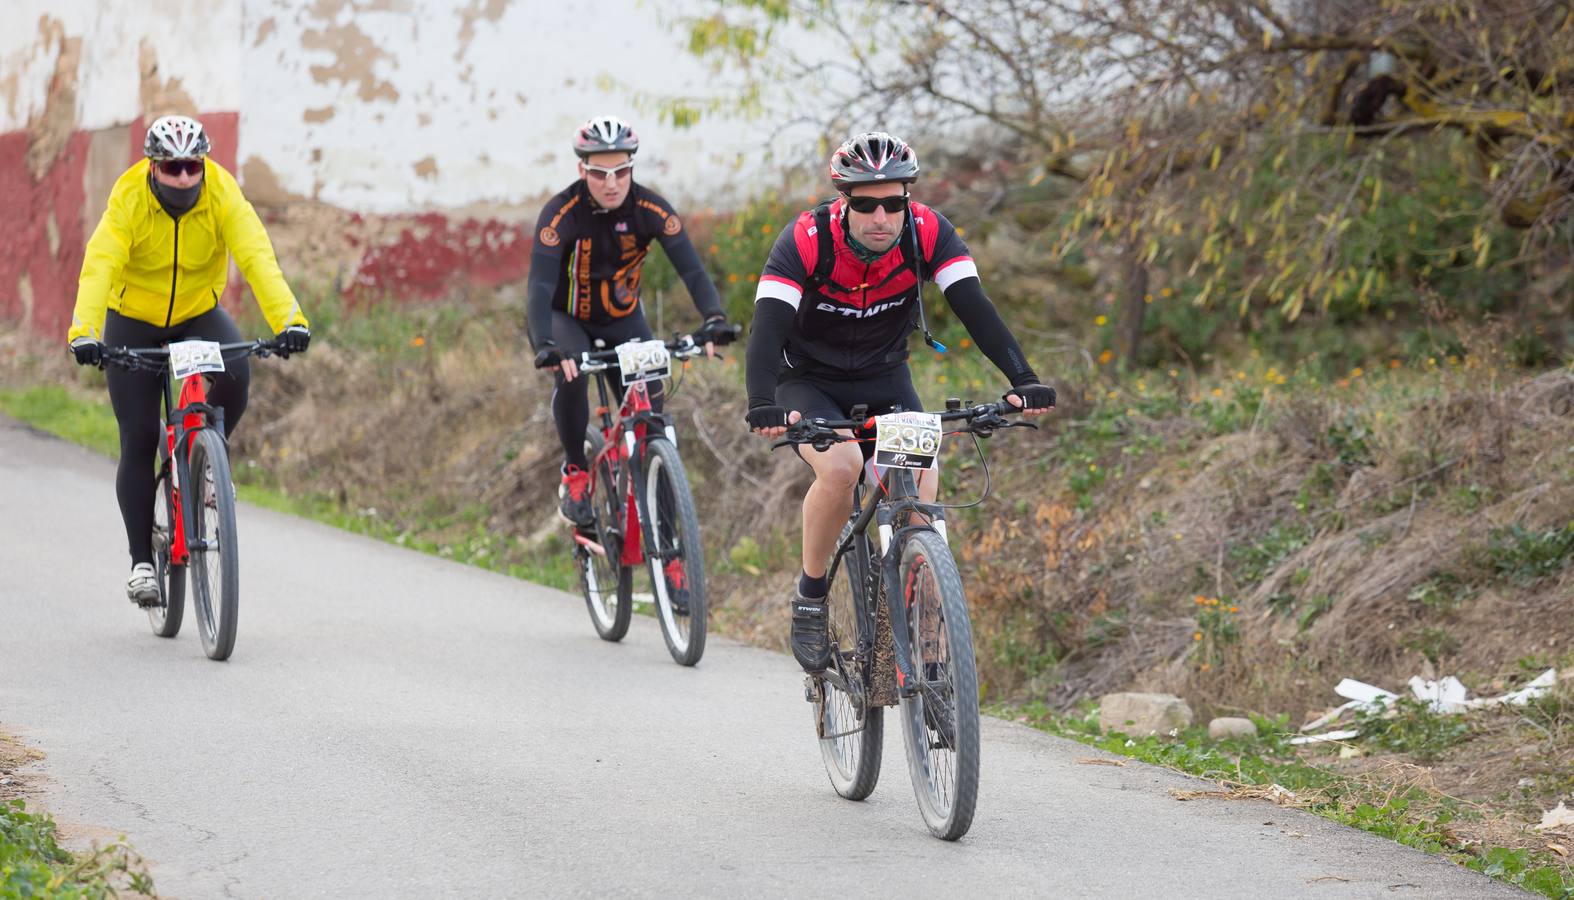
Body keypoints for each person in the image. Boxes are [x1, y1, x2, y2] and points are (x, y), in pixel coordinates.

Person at [744, 131, 1055, 673]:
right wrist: (761, 401)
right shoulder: (807, 239)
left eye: (893, 202)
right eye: (865, 204)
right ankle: (811, 597)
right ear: (844, 201)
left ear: (907, 199)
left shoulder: (928, 231)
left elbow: (973, 307)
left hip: (884, 377)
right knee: (841, 467)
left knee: (919, 500)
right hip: (806, 380)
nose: (881, 216)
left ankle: (929, 653)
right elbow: (767, 329)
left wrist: (1023, 378)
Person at [66, 114, 311, 604]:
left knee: (237, 373)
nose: (183, 177)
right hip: (132, 316)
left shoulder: (222, 193)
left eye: (192, 167)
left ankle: (204, 464)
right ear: (153, 166)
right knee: (137, 435)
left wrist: (291, 321)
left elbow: (257, 256)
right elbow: (101, 264)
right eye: (173, 167)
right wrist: (85, 332)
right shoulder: (129, 198)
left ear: (203, 165)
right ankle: (141, 563)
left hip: (198, 311)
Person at [527, 115, 734, 525]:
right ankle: (576, 471)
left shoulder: (650, 208)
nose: (611, 183)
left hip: (623, 321)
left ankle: (671, 551)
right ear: (581, 169)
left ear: (631, 169)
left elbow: (691, 270)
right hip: (565, 319)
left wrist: (714, 318)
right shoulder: (560, 214)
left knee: (652, 422)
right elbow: (537, 287)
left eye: (621, 171)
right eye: (600, 172)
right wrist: (545, 346)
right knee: (571, 372)